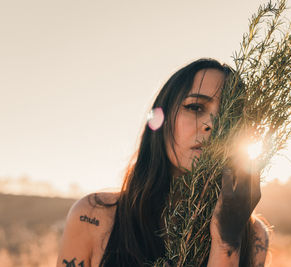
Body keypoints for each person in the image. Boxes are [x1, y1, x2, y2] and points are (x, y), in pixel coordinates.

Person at [57, 58, 269, 267]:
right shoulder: (94, 216)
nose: (212, 125)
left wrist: (226, 244)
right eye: (195, 107)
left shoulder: (253, 235)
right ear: (161, 119)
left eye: (229, 114)